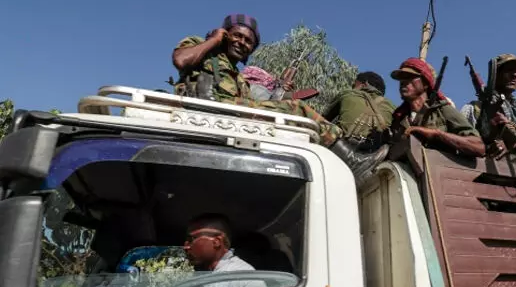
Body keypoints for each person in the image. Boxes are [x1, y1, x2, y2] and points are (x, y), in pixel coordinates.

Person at [171, 14, 387, 181]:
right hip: (208, 108)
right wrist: (215, 39)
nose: (242, 42)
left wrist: (281, 95)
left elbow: (255, 108)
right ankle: (351, 160)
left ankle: (344, 154)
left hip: (228, 117)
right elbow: (181, 60)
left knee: (291, 114)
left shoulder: (241, 81)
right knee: (297, 109)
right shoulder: (202, 47)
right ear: (225, 34)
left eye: (248, 41)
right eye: (236, 35)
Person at [57, 214, 266, 287]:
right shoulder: (222, 271)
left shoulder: (229, 274)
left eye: (191, 239)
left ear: (217, 241)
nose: (185, 246)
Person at [460, 54, 516, 164]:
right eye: (509, 70)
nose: (515, 75)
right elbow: (463, 143)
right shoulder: (474, 109)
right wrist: (489, 145)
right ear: (496, 74)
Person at [390, 57, 485, 157]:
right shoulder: (399, 119)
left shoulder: (442, 110)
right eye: (401, 79)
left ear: (426, 83)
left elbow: (479, 146)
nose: (403, 82)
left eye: (410, 77)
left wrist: (437, 135)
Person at [322, 72, 396, 152]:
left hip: (342, 147)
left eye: (354, 85)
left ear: (364, 84)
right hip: (374, 152)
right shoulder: (392, 107)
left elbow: (324, 119)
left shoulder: (348, 93)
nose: (353, 88)